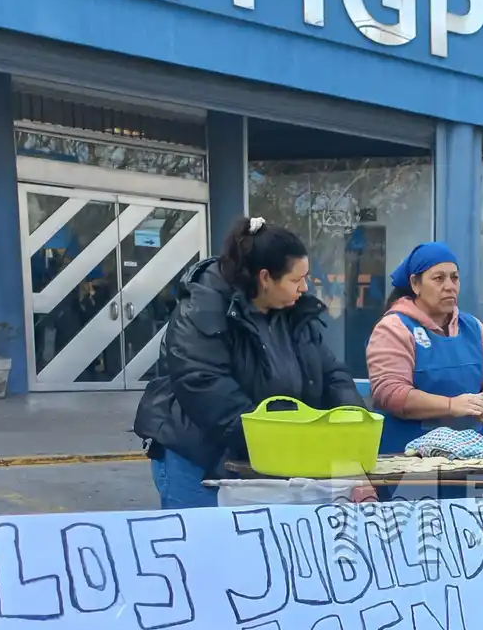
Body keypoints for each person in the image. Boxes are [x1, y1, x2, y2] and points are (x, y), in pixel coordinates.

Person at [134, 216, 364, 509]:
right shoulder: (202, 310)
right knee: (205, 549)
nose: (304, 288)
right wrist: (285, 446)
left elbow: (331, 373)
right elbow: (206, 387)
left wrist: (354, 424)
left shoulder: (292, 312)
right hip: (199, 461)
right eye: (296, 280)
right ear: (265, 278)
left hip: (266, 458)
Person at [366, 242, 483, 454]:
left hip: (469, 458)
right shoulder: (395, 328)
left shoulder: (474, 328)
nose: (450, 286)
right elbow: (389, 393)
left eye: (455, 277)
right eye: (438, 278)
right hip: (408, 461)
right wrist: (451, 405)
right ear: (415, 284)